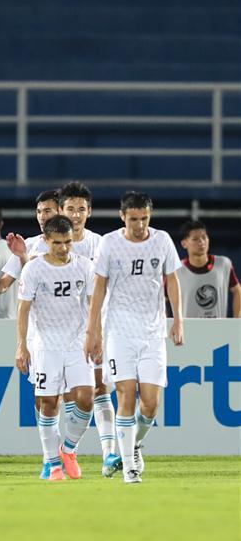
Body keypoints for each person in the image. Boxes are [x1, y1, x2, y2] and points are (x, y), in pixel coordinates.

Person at [85, 191, 184, 483]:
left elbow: (173, 280)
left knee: (151, 404)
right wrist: (94, 331)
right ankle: (128, 465)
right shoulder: (110, 243)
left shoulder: (162, 240)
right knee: (126, 393)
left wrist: (178, 320)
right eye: (133, 219)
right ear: (122, 217)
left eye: (144, 219)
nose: (139, 225)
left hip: (152, 333)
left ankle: (134, 444)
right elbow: (99, 287)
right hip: (118, 332)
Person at [16, 216, 96, 480]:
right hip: (45, 344)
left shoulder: (85, 266)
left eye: (68, 242)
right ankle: (52, 464)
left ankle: (68, 449)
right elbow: (24, 309)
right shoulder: (34, 269)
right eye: (58, 243)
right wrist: (21, 346)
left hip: (76, 343)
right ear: (47, 241)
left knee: (86, 398)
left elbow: (94, 303)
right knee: (49, 403)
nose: (63, 248)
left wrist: (96, 336)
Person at [176, 220, 241, 318]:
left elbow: (237, 290)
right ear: (184, 244)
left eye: (204, 237)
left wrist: (237, 319)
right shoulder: (176, 270)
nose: (201, 242)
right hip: (189, 331)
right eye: (195, 239)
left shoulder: (223, 264)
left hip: (218, 331)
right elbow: (162, 298)